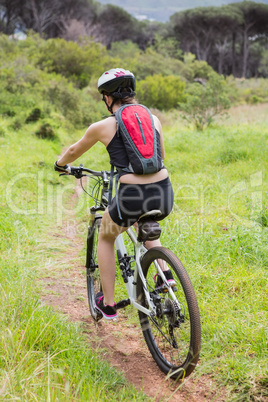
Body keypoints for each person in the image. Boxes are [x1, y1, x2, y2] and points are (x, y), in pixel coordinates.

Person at [54, 68, 175, 320]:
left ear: (107, 98)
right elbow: (161, 156)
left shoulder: (103, 126)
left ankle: (107, 304)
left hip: (133, 193)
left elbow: (75, 149)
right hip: (164, 192)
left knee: (106, 236)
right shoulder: (153, 119)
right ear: (131, 92)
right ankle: (167, 277)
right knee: (147, 223)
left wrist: (60, 164)